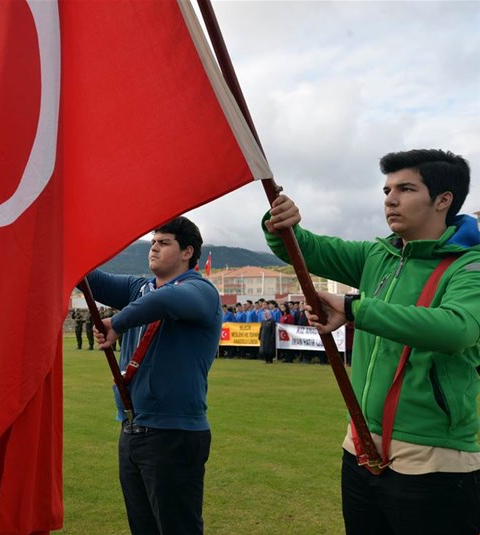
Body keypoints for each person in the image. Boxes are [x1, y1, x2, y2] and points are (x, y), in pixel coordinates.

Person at [263, 149, 480, 534]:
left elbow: (457, 329)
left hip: (433, 457)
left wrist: (355, 308)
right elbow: (300, 247)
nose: (390, 200)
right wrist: (279, 219)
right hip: (360, 447)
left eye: (406, 189)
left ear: (443, 200)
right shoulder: (377, 255)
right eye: (386, 190)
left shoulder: (470, 264)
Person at [87, 216, 221, 535]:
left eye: (164, 242)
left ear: (187, 252)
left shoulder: (201, 290)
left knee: (178, 528)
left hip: (174, 432)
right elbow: (90, 279)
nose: (154, 248)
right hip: (132, 428)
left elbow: (166, 300)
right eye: (152, 242)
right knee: (143, 527)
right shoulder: (140, 288)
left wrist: (117, 323)